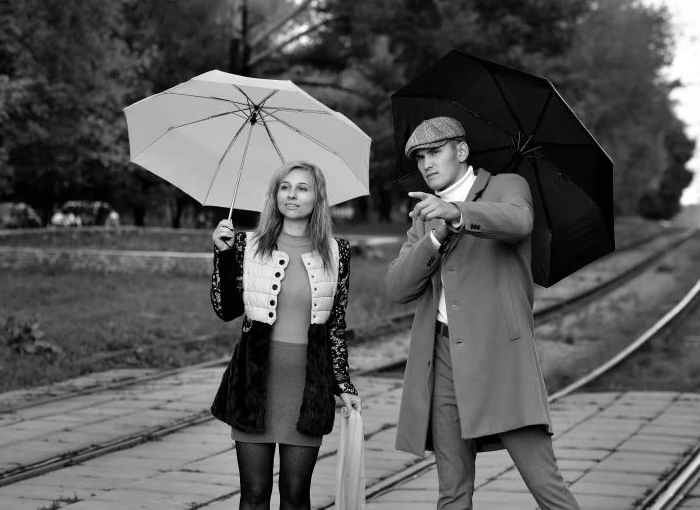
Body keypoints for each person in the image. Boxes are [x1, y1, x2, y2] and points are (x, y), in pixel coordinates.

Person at [386, 117, 579, 510]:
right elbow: (397, 288)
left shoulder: (507, 185)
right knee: (452, 491)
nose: (426, 164)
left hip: (501, 357)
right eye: (420, 157)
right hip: (441, 357)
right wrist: (436, 234)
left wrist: (456, 212)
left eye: (434, 152)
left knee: (546, 486)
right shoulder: (423, 214)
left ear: (461, 151)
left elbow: (518, 221)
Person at [209, 161, 363, 510]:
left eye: (303, 188)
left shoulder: (337, 251)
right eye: (285, 187)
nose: (292, 195)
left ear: (318, 197)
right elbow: (227, 310)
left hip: (307, 384)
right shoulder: (246, 244)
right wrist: (223, 255)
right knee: (255, 494)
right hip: (255, 382)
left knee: (295, 496)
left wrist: (343, 385)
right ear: (275, 194)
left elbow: (336, 324)